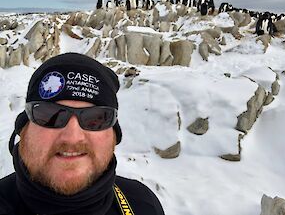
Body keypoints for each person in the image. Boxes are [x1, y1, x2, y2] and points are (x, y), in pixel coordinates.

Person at [0, 52, 165, 215]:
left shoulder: (143, 204)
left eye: (96, 119)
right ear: (23, 129)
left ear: (114, 136)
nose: (72, 137)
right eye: (50, 116)